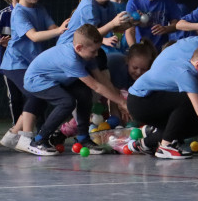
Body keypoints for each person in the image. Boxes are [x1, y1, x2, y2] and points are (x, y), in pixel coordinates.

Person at [126, 11, 198, 159]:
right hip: (143, 100)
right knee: (190, 102)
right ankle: (165, 146)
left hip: (158, 98)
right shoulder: (191, 56)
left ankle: (147, 141)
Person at [23, 24, 128, 155]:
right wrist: (122, 102)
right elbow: (96, 86)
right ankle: (38, 140)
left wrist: (118, 98)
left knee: (84, 94)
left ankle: (83, 138)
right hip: (37, 80)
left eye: (97, 50)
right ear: (79, 47)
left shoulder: (87, 54)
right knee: (67, 102)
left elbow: (102, 80)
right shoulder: (71, 60)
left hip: (60, 78)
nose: (96, 54)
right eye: (93, 51)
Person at [0, 0, 65, 152]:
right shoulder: (19, 13)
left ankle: (13, 134)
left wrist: (67, 29)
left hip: (32, 64)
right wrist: (58, 31)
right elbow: (34, 36)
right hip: (15, 64)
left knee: (40, 94)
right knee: (37, 92)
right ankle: (26, 138)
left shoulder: (40, 9)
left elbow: (53, 27)